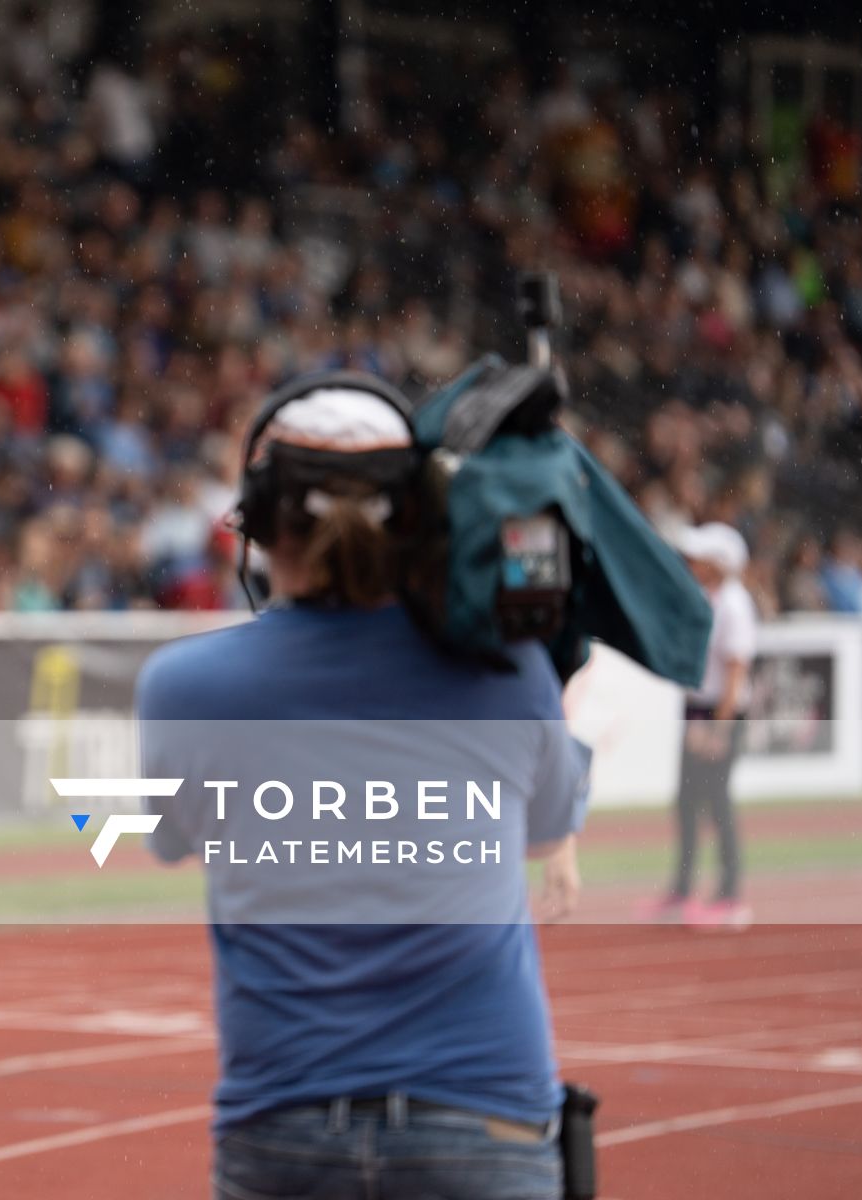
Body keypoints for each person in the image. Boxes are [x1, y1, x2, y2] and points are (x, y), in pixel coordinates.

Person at [138, 375, 587, 1200]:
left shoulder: (183, 685)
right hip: (484, 1113)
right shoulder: (507, 670)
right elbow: (551, 819)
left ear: (259, 520)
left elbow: (171, 838)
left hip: (283, 1121)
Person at [645, 521, 757, 930]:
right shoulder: (706, 600)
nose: (691, 563)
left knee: (718, 803)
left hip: (719, 714)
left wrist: (719, 729)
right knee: (687, 803)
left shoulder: (734, 605)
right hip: (698, 711)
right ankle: (683, 888)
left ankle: (730, 894)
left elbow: (735, 672)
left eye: (700, 558)